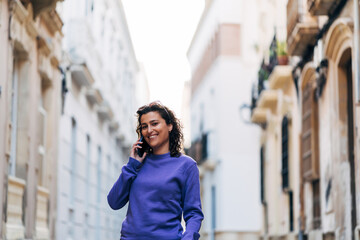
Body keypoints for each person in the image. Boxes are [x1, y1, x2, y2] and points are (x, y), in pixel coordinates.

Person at [107, 101, 204, 240]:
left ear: (170, 125)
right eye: (144, 126)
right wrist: (131, 166)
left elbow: (194, 213)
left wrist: (188, 237)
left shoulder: (187, 165)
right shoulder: (136, 164)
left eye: (154, 124)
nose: (149, 130)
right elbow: (114, 202)